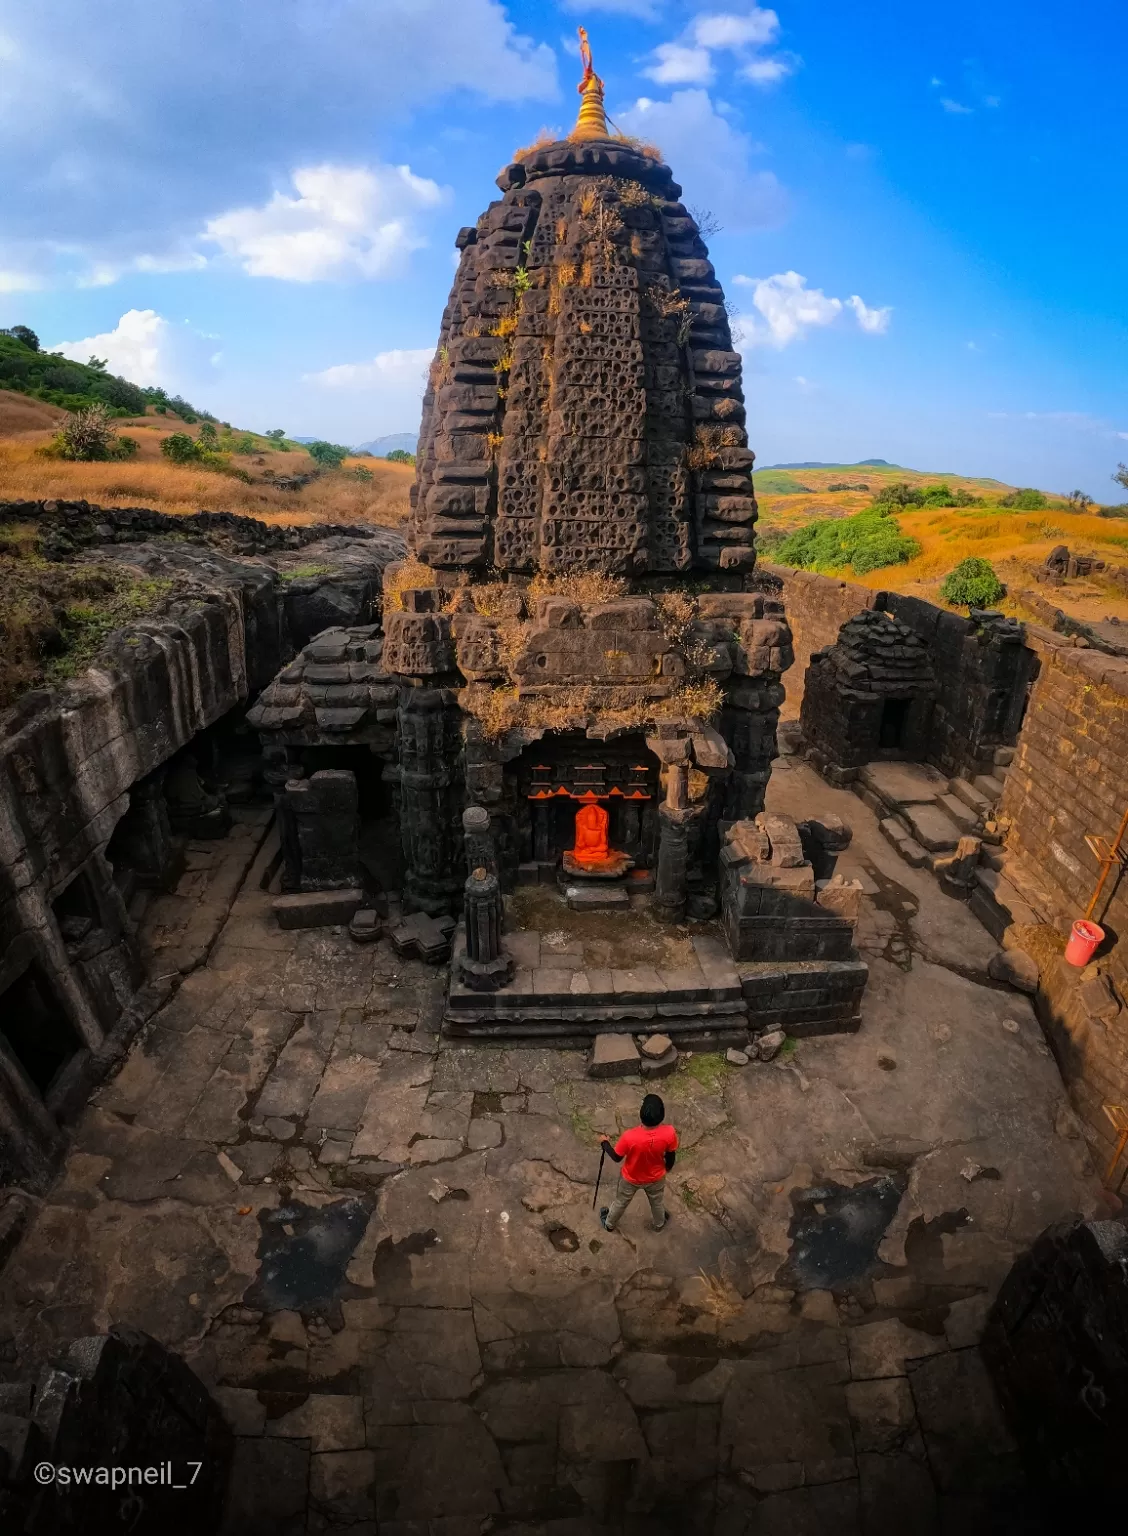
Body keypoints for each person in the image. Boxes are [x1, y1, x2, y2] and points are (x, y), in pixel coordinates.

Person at [598, 1094, 678, 1232]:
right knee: (657, 1202)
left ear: (641, 1114)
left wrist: (605, 1143)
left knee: (621, 1201)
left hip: (631, 1178)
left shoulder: (629, 1136)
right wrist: (667, 1168)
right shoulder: (669, 1133)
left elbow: (617, 1157)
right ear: (662, 1115)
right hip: (656, 1177)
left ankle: (609, 1224)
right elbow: (671, 1155)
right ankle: (659, 1224)